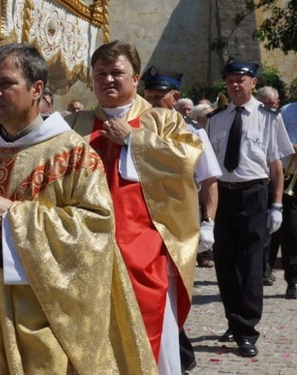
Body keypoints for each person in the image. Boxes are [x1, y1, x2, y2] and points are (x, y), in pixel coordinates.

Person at [0, 44, 155, 373]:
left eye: (5, 83)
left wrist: (16, 219)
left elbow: (96, 228)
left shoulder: (73, 154)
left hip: (39, 319)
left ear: (36, 89)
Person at [69, 42, 202, 374]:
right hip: (89, 248)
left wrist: (134, 139)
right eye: (101, 74)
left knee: (151, 331)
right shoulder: (75, 124)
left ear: (136, 77)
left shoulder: (162, 120)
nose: (109, 80)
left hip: (145, 247)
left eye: (117, 73)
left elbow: (186, 163)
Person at [206, 59, 292, 357]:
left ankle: (248, 329)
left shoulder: (269, 117)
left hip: (254, 193)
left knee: (251, 263)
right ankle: (234, 319)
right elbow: (209, 166)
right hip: (223, 194)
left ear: (253, 82)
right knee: (225, 261)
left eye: (241, 79)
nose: (235, 85)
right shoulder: (216, 119)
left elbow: (277, 165)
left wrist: (277, 204)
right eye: (229, 80)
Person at [141, 66, 222, 373]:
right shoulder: (137, 131)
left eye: (158, 97)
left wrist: (208, 223)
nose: (152, 103)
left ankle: (177, 359)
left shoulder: (193, 134)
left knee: (171, 301)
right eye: (147, 96)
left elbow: (209, 182)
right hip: (143, 229)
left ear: (174, 97)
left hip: (178, 229)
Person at [257, 86, 281, 286]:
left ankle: (264, 270)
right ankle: (262, 270)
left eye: (271, 104)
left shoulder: (277, 118)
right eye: (264, 103)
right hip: (256, 184)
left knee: (270, 232)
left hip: (274, 183)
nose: (267, 107)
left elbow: (277, 162)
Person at [279, 99, 297, 299]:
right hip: (292, 175)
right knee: (292, 231)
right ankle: (293, 280)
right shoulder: (287, 111)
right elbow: (276, 141)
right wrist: (290, 148)